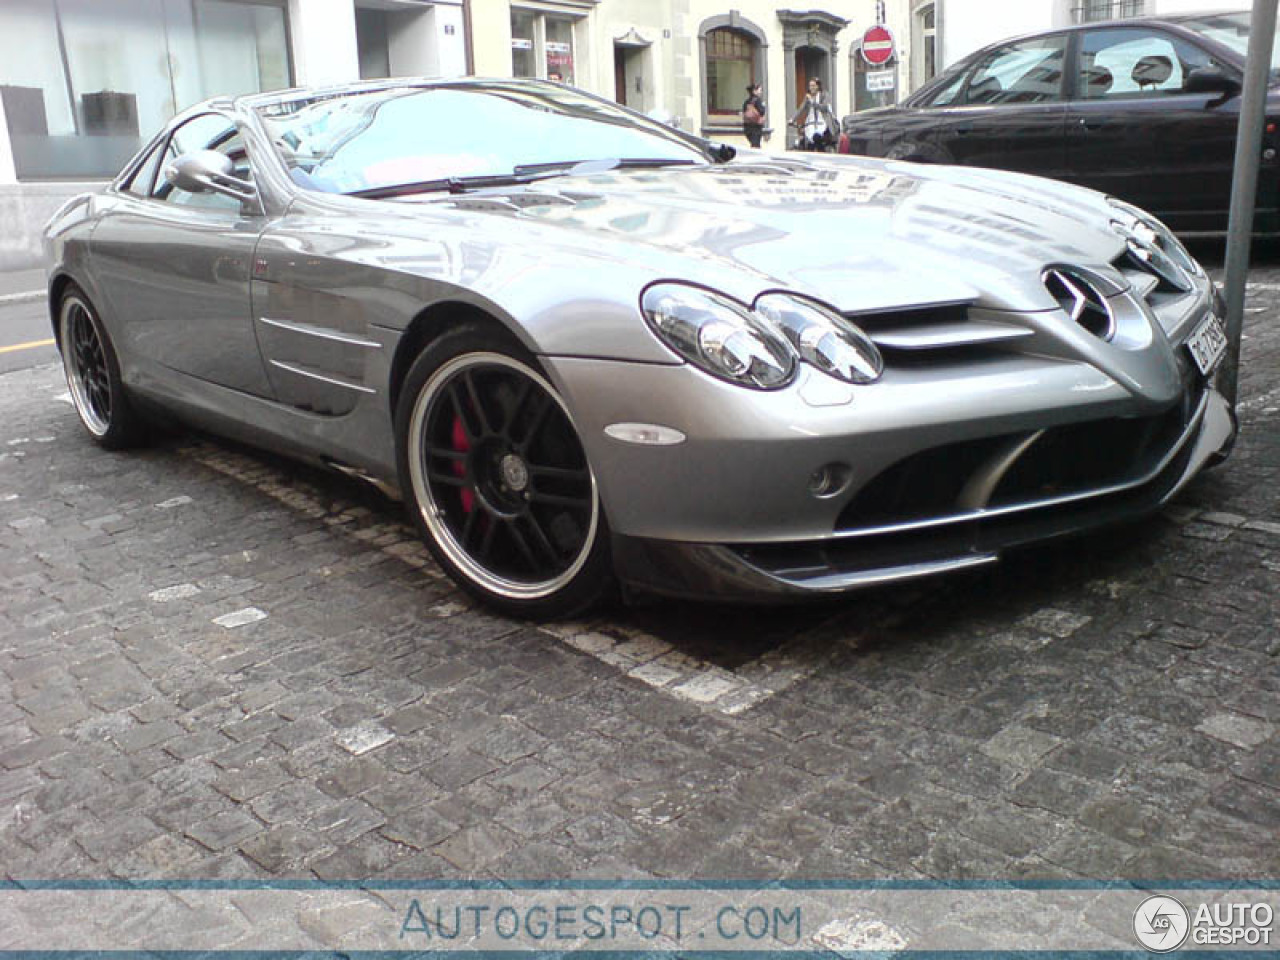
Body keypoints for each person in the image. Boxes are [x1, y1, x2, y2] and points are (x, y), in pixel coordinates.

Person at [790, 78, 837, 152]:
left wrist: (812, 102)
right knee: (808, 143)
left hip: (822, 124)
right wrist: (792, 119)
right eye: (810, 86)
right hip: (811, 124)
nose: (811, 88)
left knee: (817, 138)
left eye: (813, 85)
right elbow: (801, 109)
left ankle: (822, 153)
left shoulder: (824, 95)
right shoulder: (807, 97)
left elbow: (825, 108)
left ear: (818, 86)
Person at [741, 83, 766, 149]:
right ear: (754, 91)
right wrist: (763, 106)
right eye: (760, 90)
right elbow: (762, 112)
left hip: (747, 127)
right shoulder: (758, 100)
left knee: (753, 144)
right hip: (756, 127)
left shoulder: (746, 101)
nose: (761, 92)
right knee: (756, 146)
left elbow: (744, 111)